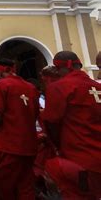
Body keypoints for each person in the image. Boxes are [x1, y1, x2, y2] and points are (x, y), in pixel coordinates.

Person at [42, 51, 101, 198]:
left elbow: (51, 123)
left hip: (79, 159)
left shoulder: (59, 87)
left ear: (64, 67)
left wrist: (57, 146)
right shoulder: (97, 86)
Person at [0, 59, 39, 199]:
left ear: (3, 71)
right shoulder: (31, 87)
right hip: (29, 147)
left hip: (7, 146)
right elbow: (35, 114)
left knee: (2, 188)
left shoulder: (1, 85)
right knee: (26, 188)